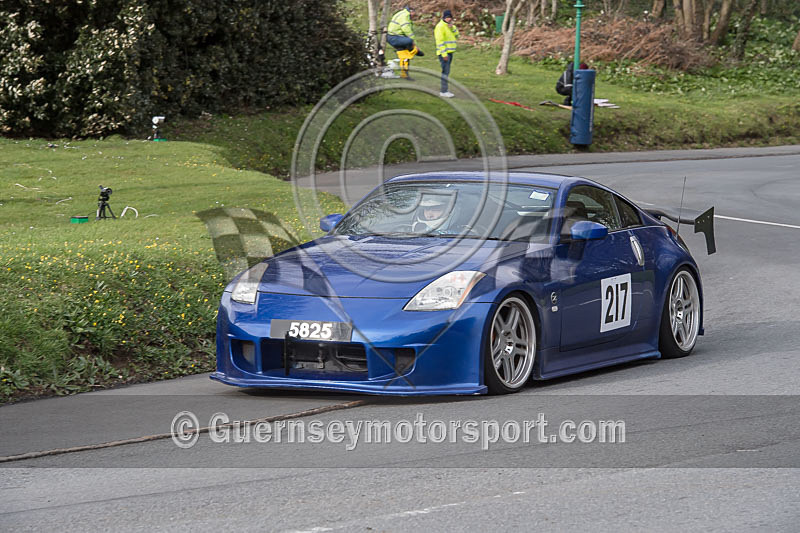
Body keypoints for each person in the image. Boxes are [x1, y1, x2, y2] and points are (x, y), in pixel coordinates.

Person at [387, 5, 424, 78]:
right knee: (409, 41)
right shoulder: (405, 15)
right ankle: (415, 50)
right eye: (414, 13)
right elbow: (406, 29)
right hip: (395, 37)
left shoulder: (401, 13)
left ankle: (404, 74)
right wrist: (413, 41)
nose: (415, 15)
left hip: (394, 37)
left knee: (404, 56)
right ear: (411, 11)